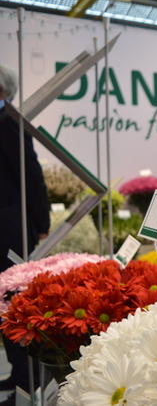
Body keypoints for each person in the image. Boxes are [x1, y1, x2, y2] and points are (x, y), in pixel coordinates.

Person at [0, 65, 50, 401]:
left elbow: (31, 175)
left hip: (8, 231)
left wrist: (41, 223)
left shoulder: (11, 123)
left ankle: (26, 378)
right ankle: (17, 372)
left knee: (13, 302)